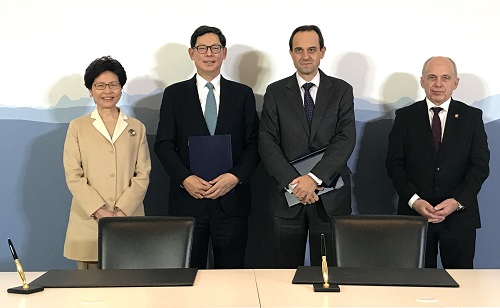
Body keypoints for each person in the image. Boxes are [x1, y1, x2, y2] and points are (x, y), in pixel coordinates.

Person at [154, 26, 260, 269]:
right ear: (192, 53)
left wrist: (235, 177)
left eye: (215, 48)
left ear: (224, 53)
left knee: (232, 279)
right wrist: (185, 178)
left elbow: (254, 143)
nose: (208, 54)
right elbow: (164, 144)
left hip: (231, 202)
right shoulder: (174, 94)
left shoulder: (242, 94)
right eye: (202, 48)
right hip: (188, 201)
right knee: (189, 278)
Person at [258, 25, 356, 268]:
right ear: (291, 53)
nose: (305, 56)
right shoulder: (275, 91)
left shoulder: (342, 90)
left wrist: (313, 178)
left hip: (330, 197)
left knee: (329, 276)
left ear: (322, 51)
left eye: (312, 49)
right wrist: (295, 183)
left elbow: (345, 139)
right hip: (287, 198)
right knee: (285, 275)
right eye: (299, 50)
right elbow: (267, 141)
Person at [386, 56, 490, 269]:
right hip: (415, 219)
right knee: (416, 290)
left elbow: (479, 166)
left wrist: (456, 202)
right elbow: (394, 164)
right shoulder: (405, 117)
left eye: (445, 77)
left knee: (461, 289)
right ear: (422, 81)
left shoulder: (472, 117)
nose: (438, 84)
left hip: (459, 219)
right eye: (432, 77)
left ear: (455, 83)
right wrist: (414, 201)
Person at [63, 56, 151, 269]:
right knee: (90, 295)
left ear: (121, 88)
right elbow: (74, 175)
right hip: (89, 222)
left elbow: (143, 174)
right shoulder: (78, 127)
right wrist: (100, 211)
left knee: (129, 291)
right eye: (100, 86)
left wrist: (121, 212)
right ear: (91, 90)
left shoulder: (136, 127)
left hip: (128, 221)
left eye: (113, 85)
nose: (107, 91)